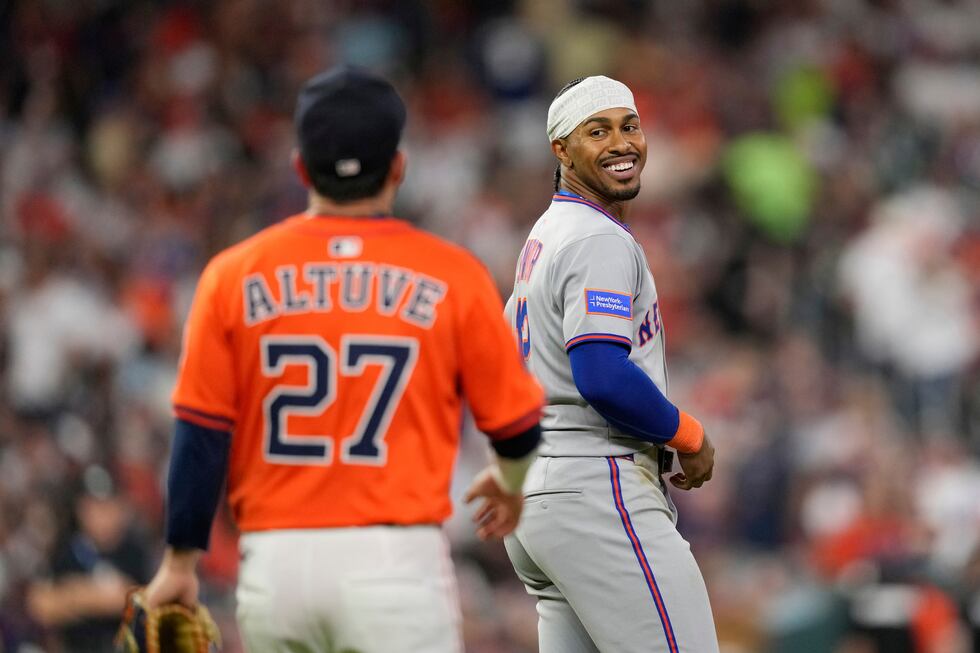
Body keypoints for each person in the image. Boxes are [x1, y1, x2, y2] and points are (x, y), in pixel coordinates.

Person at [141, 66, 544, 652]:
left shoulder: (231, 275)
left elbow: (200, 433)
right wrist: (509, 483)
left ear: (301, 168)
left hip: (275, 567)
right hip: (395, 563)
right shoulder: (453, 274)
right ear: (398, 168)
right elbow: (517, 428)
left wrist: (180, 561)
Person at [502, 75, 719, 652]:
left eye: (630, 126)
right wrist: (688, 435)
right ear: (561, 150)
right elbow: (601, 376)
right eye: (597, 132)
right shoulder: (594, 238)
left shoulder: (544, 236)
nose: (622, 143)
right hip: (594, 486)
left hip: (539, 493)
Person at [27, 465, 152, 653]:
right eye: (93, 507)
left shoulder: (135, 550)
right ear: (80, 509)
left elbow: (141, 603)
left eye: (107, 506)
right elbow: (40, 605)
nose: (101, 516)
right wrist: (91, 597)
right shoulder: (66, 549)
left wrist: (73, 596)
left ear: (120, 507)